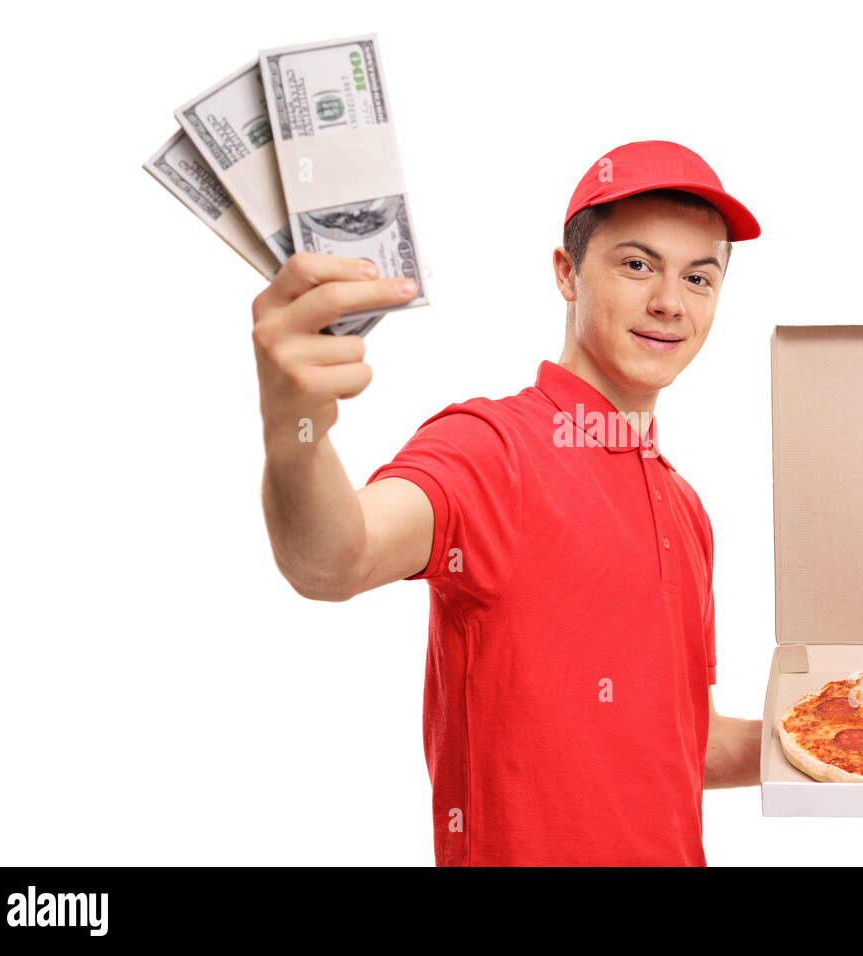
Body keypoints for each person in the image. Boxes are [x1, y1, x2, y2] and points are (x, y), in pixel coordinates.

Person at [253, 140, 763, 866]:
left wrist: (853, 718)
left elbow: (694, 745)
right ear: (567, 272)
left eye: (700, 277)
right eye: (637, 264)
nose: (669, 303)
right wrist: (294, 427)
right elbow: (335, 559)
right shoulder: (494, 447)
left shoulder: (687, 508)